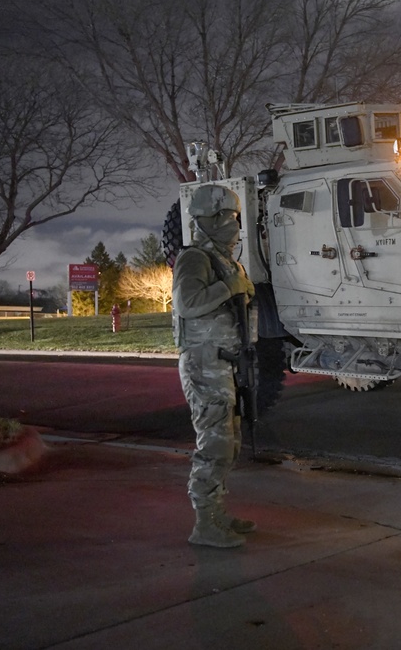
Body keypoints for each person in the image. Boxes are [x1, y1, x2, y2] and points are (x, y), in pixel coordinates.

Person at [172, 184, 257, 548]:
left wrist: (239, 286)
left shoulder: (225, 260)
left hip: (223, 364)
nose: (234, 225)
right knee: (214, 444)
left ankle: (216, 512)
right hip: (204, 364)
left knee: (228, 443)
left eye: (236, 219)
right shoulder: (194, 259)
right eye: (228, 218)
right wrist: (231, 287)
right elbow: (187, 303)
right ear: (209, 219)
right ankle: (203, 523)